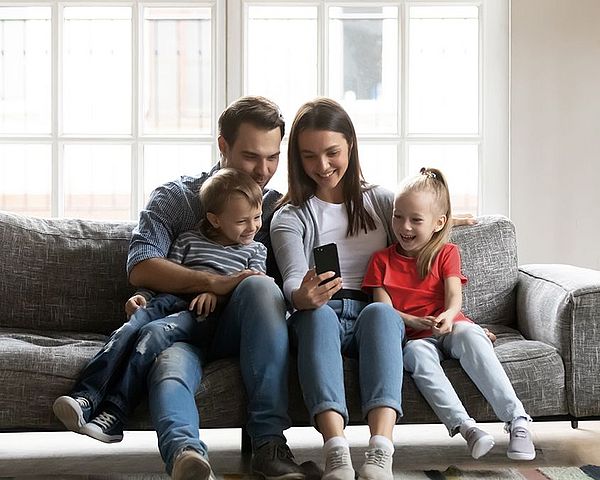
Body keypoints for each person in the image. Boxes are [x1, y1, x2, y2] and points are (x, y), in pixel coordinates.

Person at [57, 96, 306, 480]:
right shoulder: (177, 198)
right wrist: (209, 282)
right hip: (180, 328)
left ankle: (270, 445)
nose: (263, 170)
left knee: (260, 288)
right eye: (252, 156)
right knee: (168, 363)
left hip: (240, 331)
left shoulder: (275, 209)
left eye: (273, 157)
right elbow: (141, 265)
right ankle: (185, 454)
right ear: (222, 145)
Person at [54, 168, 268, 447]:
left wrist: (219, 294)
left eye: (257, 217)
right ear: (215, 219)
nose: (252, 227)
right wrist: (142, 295)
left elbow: (254, 293)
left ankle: (115, 413)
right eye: (242, 220)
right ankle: (86, 397)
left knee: (152, 334)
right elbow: (167, 277)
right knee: (132, 325)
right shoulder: (188, 240)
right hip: (168, 300)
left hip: (202, 316)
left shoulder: (255, 251)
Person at [270, 98, 405, 480]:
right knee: (316, 316)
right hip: (321, 313)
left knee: (381, 312)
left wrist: (442, 223)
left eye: (332, 153)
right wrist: (302, 296)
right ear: (297, 157)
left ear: (350, 146)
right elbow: (293, 280)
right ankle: (336, 450)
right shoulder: (290, 216)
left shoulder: (381, 201)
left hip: (372, 310)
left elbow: (420, 250)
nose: (323, 166)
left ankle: (381, 450)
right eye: (310, 156)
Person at [362, 167, 536, 462]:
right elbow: (383, 309)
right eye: (397, 216)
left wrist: (448, 315)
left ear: (438, 223)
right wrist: (416, 322)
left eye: (416, 220)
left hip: (451, 326)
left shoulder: (446, 253)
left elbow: (455, 298)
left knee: (469, 333)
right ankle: (467, 428)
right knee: (415, 354)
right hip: (416, 337)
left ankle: (518, 420)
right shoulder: (380, 260)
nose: (404, 226)